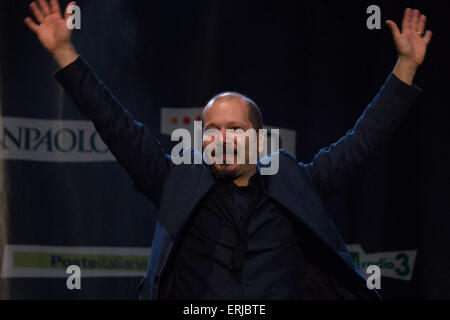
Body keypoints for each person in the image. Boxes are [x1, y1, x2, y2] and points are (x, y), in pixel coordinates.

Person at [25, 0, 432, 299]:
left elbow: (362, 143)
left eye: (235, 129)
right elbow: (114, 124)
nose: (221, 138)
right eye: (212, 130)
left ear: (258, 138)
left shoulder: (295, 181)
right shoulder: (176, 182)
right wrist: (64, 51)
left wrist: (407, 66)